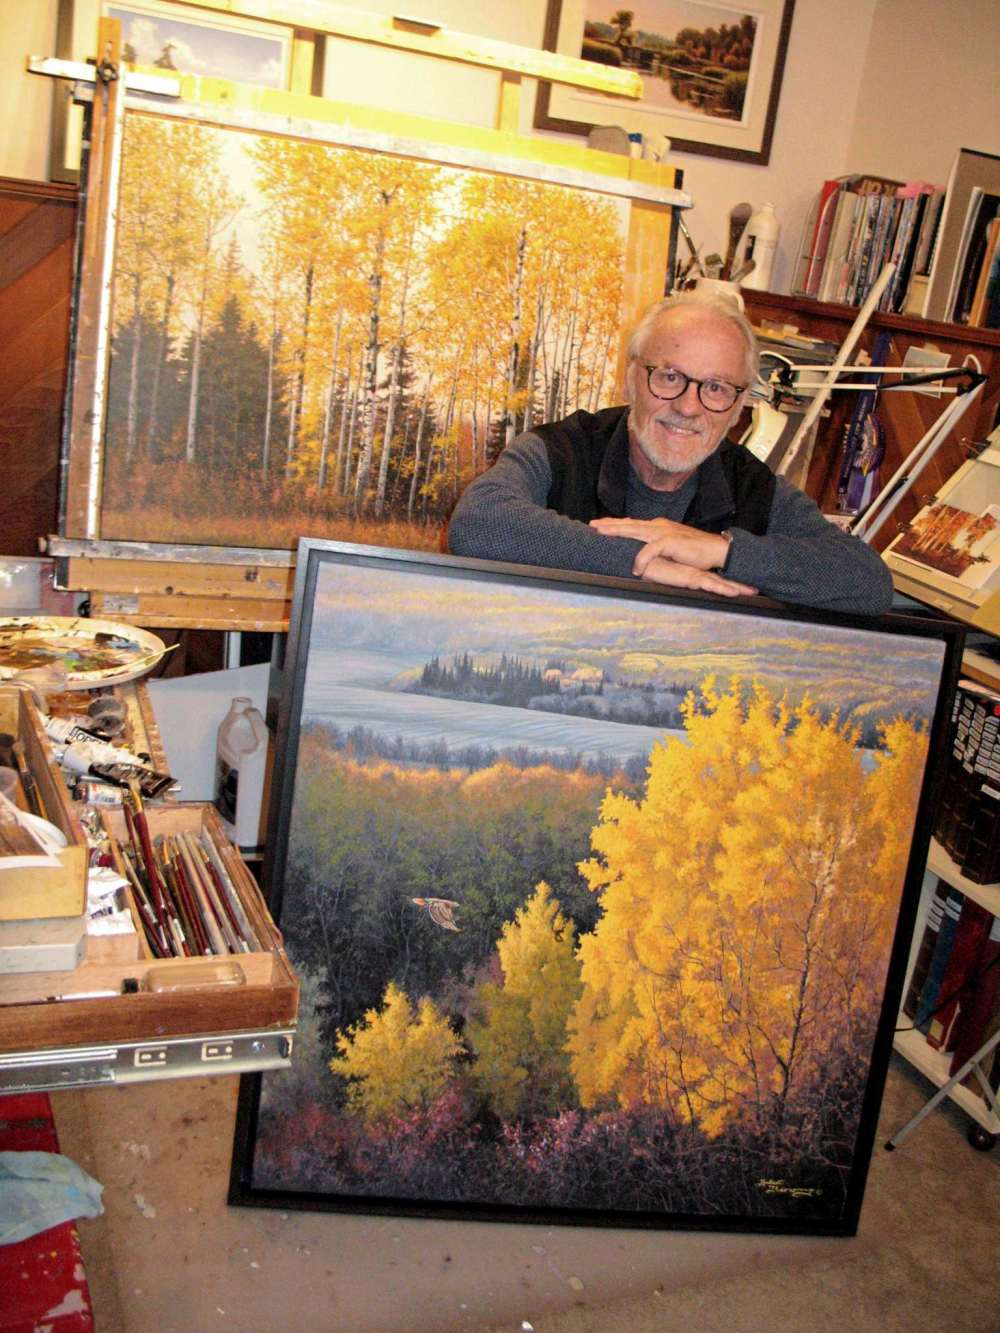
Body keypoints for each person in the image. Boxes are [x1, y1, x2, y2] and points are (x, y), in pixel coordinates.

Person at [447, 291, 894, 616]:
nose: (687, 406)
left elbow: (868, 583)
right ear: (630, 379)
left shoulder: (756, 489)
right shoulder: (560, 451)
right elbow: (477, 522)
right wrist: (640, 563)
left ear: (738, 407)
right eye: (669, 377)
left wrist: (722, 551)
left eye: (716, 388)